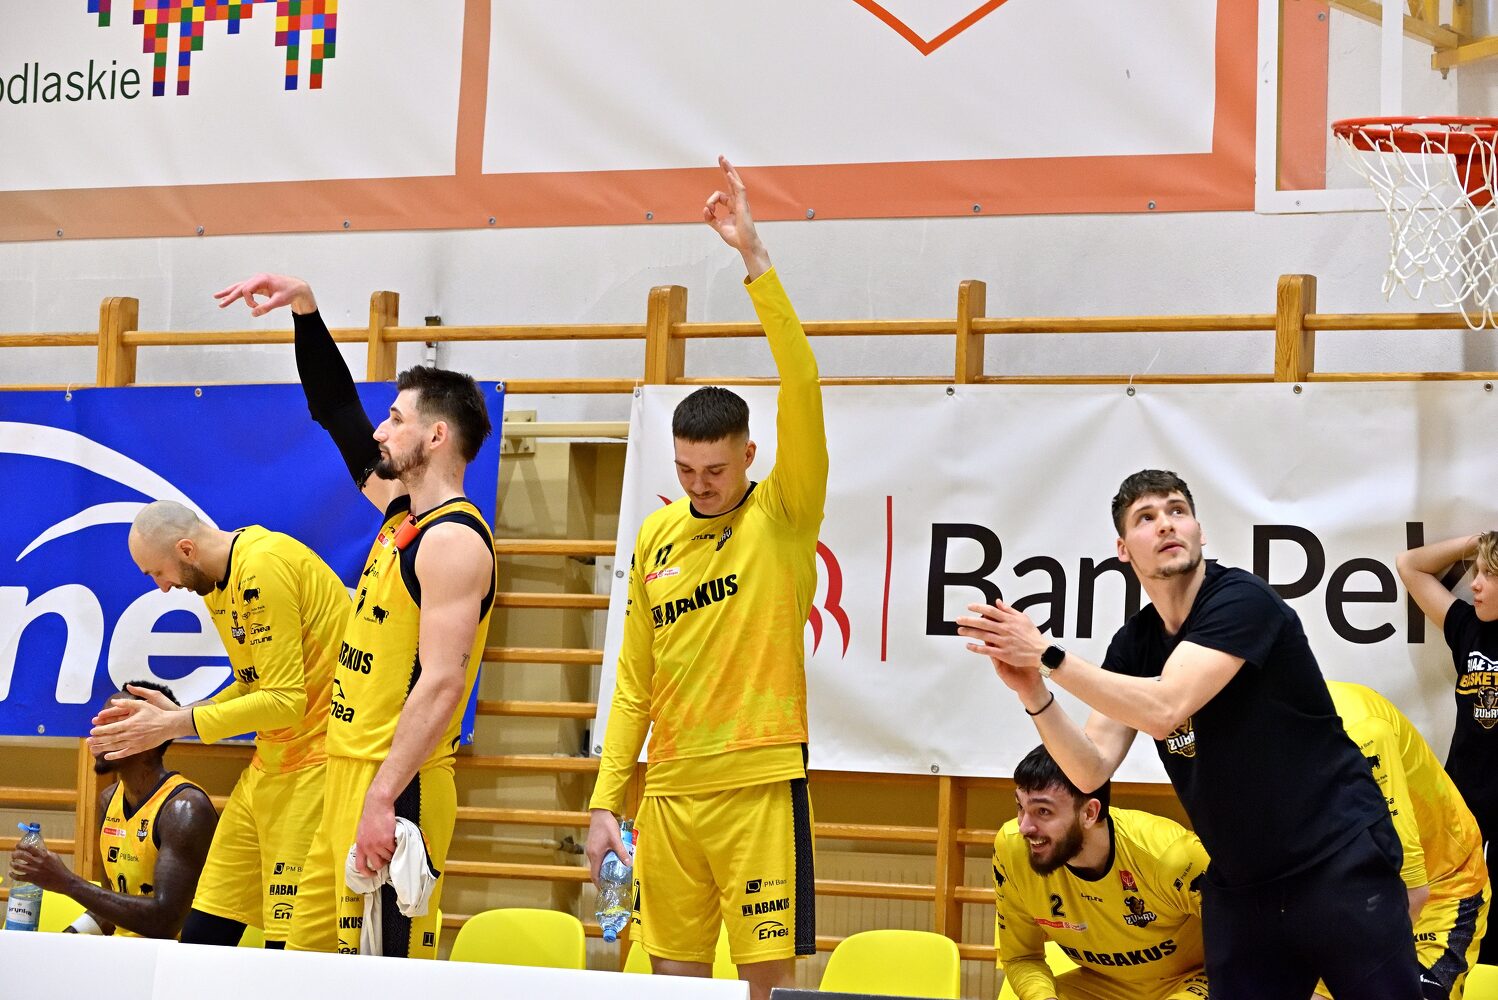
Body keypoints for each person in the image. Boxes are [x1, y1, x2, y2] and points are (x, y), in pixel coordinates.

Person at [957, 469, 1420, 999]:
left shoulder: (1241, 600)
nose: (1165, 524)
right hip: (1244, 881)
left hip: (1335, 857)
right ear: (1123, 550)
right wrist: (1033, 691)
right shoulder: (1135, 643)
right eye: (1146, 518)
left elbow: (1166, 707)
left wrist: (1048, 655)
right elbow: (1088, 770)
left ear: (1199, 531)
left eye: (1177, 511)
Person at [584, 157, 828, 1000]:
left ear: (749, 454)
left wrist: (755, 260)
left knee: (767, 991)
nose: (701, 485)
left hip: (759, 786)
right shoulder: (657, 534)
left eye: (716, 470)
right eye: (686, 470)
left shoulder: (784, 512)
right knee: (673, 989)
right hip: (670, 795)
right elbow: (634, 681)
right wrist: (606, 800)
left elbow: (803, 381)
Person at [212, 269, 496, 958]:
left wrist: (382, 796)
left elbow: (443, 684)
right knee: (301, 969)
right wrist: (306, 312)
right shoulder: (401, 514)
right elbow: (336, 410)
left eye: (395, 419)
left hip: (398, 788)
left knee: (381, 980)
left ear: (436, 436)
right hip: (345, 776)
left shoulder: (454, 541)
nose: (379, 428)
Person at [86, 501, 347, 947]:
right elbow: (253, 686)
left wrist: (173, 725)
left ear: (186, 549)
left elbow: (284, 701)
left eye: (158, 572)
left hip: (317, 770)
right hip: (270, 766)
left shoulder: (263, 566)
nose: (162, 587)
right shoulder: (216, 587)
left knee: (288, 952)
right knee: (203, 935)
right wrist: (176, 714)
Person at [995, 745, 1209, 1000]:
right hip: (1101, 985)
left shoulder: (1172, 857)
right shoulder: (1013, 849)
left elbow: (1248, 940)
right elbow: (1021, 958)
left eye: (1043, 811)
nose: (1024, 827)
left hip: (1190, 980)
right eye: (1020, 806)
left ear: (1089, 813)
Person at [1320, 680, 1489, 999]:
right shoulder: (1247, 743)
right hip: (1342, 904)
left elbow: (1413, 893)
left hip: (1439, 892)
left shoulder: (1359, 730)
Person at [9, 683, 216, 939]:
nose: (96, 732)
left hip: (170, 959)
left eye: (111, 724)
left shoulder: (185, 809)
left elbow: (164, 923)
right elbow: (110, 908)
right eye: (99, 723)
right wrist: (63, 940)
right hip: (121, 954)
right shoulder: (109, 800)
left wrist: (67, 882)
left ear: (151, 736)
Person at [1398, 531, 1498, 966]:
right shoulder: (1470, 628)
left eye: (1488, 575)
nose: (1474, 584)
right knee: (1458, 924)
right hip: (1463, 808)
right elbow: (1409, 565)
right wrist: (1478, 541)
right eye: (1477, 572)